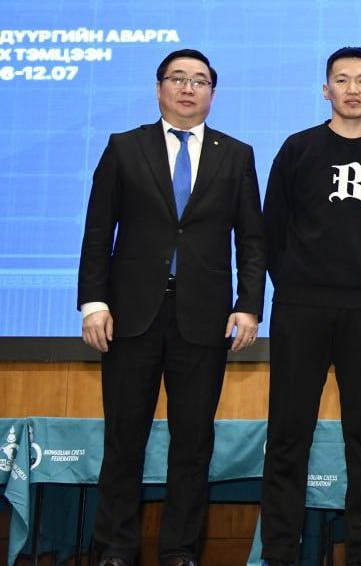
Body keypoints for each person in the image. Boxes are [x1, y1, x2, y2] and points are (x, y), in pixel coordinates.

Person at [78, 48, 265, 566]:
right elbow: (98, 232)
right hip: (130, 317)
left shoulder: (237, 154)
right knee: (124, 439)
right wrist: (93, 302)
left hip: (204, 320)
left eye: (199, 80)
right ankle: (114, 548)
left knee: (193, 442)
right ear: (159, 87)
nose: (188, 88)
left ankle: (180, 550)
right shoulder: (125, 147)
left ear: (212, 93)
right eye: (178, 78)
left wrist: (249, 305)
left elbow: (252, 239)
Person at [259, 46, 361, 566]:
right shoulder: (298, 148)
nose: (353, 89)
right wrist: (295, 281)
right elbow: (272, 228)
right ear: (325, 89)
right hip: (301, 308)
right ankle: (279, 551)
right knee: (288, 434)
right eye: (343, 79)